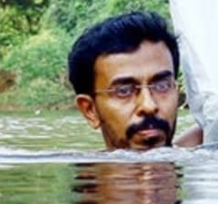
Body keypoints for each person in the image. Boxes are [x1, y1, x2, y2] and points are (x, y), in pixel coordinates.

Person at [67, 11, 204, 152]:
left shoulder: (212, 148)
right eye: (124, 91)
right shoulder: (77, 170)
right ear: (90, 110)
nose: (149, 106)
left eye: (161, 86)